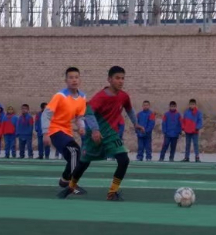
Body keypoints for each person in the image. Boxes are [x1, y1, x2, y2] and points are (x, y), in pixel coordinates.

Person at [58, 66, 143, 201]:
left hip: (111, 135)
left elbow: (129, 109)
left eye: (122, 78)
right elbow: (88, 112)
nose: (120, 81)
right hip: (94, 135)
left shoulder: (124, 96)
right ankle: (71, 186)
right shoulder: (101, 96)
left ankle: (112, 193)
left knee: (124, 160)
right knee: (84, 163)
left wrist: (135, 123)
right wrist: (95, 130)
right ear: (109, 79)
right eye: (117, 78)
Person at [43, 67, 87, 190]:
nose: (74, 80)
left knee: (76, 157)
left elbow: (79, 117)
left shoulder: (82, 97)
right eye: (71, 77)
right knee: (75, 151)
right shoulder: (60, 96)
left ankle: (64, 181)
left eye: (76, 77)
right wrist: (45, 133)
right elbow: (46, 114)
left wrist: (81, 127)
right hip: (55, 130)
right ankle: (70, 183)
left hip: (67, 131)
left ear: (80, 80)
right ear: (66, 80)